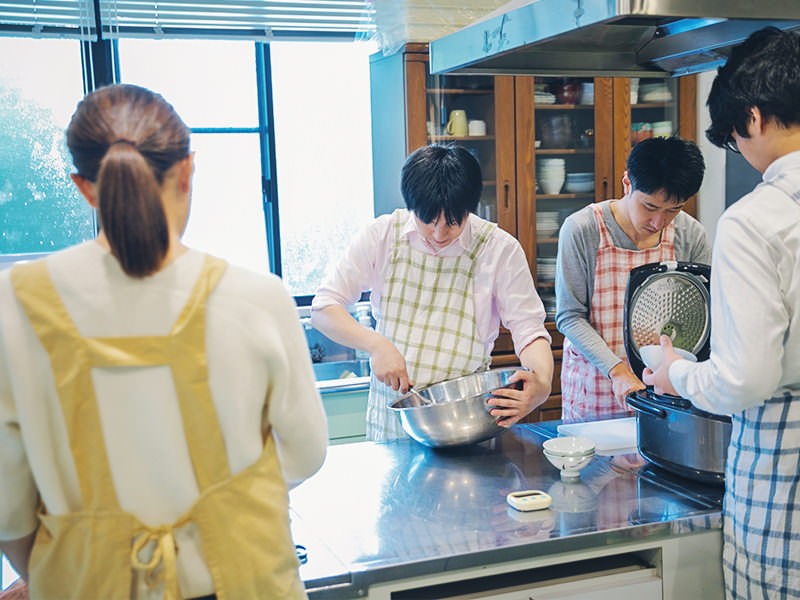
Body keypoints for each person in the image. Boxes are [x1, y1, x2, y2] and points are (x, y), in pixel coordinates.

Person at [0, 83, 327, 599]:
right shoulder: (257, 297)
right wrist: (218, 509)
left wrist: (60, 567)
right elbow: (306, 454)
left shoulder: (12, 304)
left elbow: (8, 507)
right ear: (187, 171)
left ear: (84, 187)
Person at [643, 27, 800, 600]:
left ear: (753, 118)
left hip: (785, 470)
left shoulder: (755, 219)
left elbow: (746, 377)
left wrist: (677, 372)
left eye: (734, 137)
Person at [312, 144, 553, 440]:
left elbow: (528, 329)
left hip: (465, 423)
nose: (440, 234)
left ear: (470, 208)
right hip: (392, 422)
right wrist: (376, 345)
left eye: (453, 222)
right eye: (428, 220)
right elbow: (324, 308)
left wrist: (542, 384)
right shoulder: (382, 235)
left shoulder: (498, 249)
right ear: (412, 206)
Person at [555, 136, 710, 422]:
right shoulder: (583, 229)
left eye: (673, 209)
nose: (658, 222)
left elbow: (700, 317)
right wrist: (618, 371)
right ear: (627, 183)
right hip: (597, 390)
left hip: (665, 394)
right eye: (649, 207)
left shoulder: (691, 235)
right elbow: (569, 316)